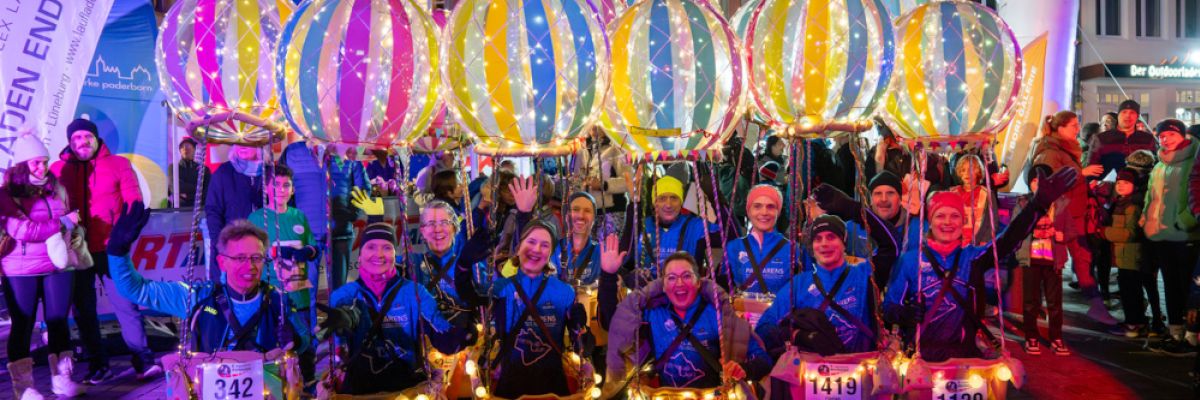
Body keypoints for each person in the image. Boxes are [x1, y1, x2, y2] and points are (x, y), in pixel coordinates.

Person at [883, 168, 1078, 362]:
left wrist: (1038, 204)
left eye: (955, 216)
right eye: (940, 216)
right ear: (930, 222)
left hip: (964, 358)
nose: (948, 222)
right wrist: (905, 313)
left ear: (963, 222)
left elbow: (1008, 240)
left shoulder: (972, 258)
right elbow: (889, 307)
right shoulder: (910, 261)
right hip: (918, 359)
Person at [108, 210, 313, 379]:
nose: (249, 266)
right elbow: (135, 289)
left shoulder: (277, 301)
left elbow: (305, 340)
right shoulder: (199, 297)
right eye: (240, 258)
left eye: (256, 258)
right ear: (222, 262)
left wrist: (295, 338)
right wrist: (118, 252)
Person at [51, 118, 157, 383]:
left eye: (86, 136)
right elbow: (49, 205)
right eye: (76, 138)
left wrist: (124, 233)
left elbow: (134, 199)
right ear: (69, 142)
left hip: (111, 249)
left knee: (126, 303)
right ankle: (99, 364)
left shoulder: (119, 164)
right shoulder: (58, 169)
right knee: (84, 310)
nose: (82, 142)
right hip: (77, 251)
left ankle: (142, 359)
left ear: (96, 138)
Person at [318, 222, 470, 394]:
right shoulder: (344, 295)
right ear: (359, 256)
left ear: (394, 254)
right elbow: (336, 335)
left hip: (407, 388)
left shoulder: (414, 292)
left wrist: (462, 334)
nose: (379, 254)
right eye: (371, 247)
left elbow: (442, 335)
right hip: (359, 390)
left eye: (387, 247)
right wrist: (344, 320)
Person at [599, 251, 769, 392]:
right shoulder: (654, 312)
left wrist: (743, 369)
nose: (679, 283)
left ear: (698, 283)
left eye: (686, 276)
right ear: (663, 285)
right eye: (671, 277)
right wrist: (607, 275)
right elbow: (613, 323)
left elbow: (764, 360)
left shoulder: (720, 315)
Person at [454, 221, 590, 398]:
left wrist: (581, 327)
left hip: (553, 385)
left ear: (550, 254)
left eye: (545, 245)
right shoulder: (501, 288)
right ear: (518, 248)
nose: (537, 249)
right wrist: (463, 265)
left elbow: (584, 347)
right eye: (531, 242)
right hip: (511, 384)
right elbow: (468, 295)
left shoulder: (564, 292)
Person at [2, 132, 85, 398]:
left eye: (44, 161)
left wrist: (73, 231)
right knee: (22, 325)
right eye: (35, 162)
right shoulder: (6, 194)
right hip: (19, 270)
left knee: (59, 321)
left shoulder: (56, 187)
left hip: (57, 266)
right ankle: (24, 389)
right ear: (21, 164)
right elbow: (23, 230)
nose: (42, 167)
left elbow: (70, 219)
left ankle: (62, 379)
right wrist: (63, 223)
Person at [1029, 111, 1118, 325]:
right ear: (1059, 128)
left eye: (1077, 125)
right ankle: (1039, 307)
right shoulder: (1050, 152)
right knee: (1052, 263)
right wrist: (1082, 175)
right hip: (1059, 216)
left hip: (1074, 214)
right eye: (1072, 125)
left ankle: (1095, 305)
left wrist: (1088, 185)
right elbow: (1046, 183)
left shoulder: (1066, 150)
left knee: (1082, 260)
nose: (1077, 129)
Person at [756, 215, 879, 358]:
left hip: (860, 370)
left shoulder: (863, 275)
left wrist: (851, 208)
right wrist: (799, 335)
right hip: (811, 373)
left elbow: (890, 247)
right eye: (818, 239)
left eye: (831, 237)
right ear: (812, 248)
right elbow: (763, 328)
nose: (824, 244)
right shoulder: (799, 284)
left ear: (844, 243)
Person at [1142, 119, 1200, 354]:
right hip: (1161, 233)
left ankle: (1191, 334)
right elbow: (1151, 194)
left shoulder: (1191, 161)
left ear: (1182, 135)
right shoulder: (1159, 164)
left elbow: (1194, 191)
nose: (1165, 139)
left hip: (1185, 233)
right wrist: (1146, 217)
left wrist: (1185, 220)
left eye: (1170, 135)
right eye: (1161, 135)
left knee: (1189, 286)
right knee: (1170, 284)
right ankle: (1174, 330)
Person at [617, 175, 722, 288]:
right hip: (648, 298)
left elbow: (730, 238)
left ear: (681, 202)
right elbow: (623, 257)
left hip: (684, 295)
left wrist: (717, 200)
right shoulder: (643, 225)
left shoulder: (695, 226)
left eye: (674, 198)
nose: (668, 204)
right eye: (662, 198)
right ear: (654, 203)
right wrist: (635, 204)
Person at [248, 165, 319, 326]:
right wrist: (274, 252)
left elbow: (314, 248)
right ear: (266, 189)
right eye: (276, 185)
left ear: (292, 189)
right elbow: (249, 256)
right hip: (270, 299)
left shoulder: (299, 216)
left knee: (303, 346)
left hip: (300, 299)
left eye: (286, 185)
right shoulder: (256, 219)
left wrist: (308, 251)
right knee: (272, 349)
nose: (281, 190)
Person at [1017, 167, 1068, 356]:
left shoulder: (1061, 203)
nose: (1038, 184)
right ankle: (1031, 336)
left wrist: (1062, 235)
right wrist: (1031, 232)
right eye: (1034, 181)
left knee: (1055, 302)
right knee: (1031, 301)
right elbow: (1015, 229)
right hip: (1031, 259)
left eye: (1043, 181)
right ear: (1030, 183)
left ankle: (1056, 337)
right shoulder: (1023, 203)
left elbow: (1071, 229)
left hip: (1053, 260)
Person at [1101, 168, 1155, 337]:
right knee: (1128, 289)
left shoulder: (1131, 207)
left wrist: (1104, 232)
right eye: (1118, 183)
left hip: (1131, 256)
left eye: (1126, 182)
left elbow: (1130, 234)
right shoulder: (1119, 203)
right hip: (1124, 256)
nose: (1121, 186)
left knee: (1131, 290)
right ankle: (1134, 321)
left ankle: (1134, 323)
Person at [720, 185, 794, 294]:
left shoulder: (792, 248)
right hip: (743, 310)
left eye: (770, 207)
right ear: (748, 211)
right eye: (757, 206)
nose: (764, 212)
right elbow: (723, 289)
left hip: (780, 311)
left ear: (778, 212)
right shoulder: (734, 247)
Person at [205, 144, 265, 281]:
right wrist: (220, 242)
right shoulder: (224, 172)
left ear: (259, 145)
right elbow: (213, 210)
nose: (242, 146)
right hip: (231, 246)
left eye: (247, 142)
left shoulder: (269, 172)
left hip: (261, 247)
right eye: (237, 142)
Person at [328, 145, 369, 289]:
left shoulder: (352, 160)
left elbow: (364, 188)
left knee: (339, 281)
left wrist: (352, 213)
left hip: (341, 229)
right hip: (314, 229)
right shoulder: (314, 157)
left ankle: (338, 310)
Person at [1086, 100, 1157, 179]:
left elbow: (1154, 165)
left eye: (1132, 113)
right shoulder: (1101, 138)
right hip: (1109, 187)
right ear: (1118, 115)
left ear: (1137, 117)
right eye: (1124, 112)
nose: (1127, 116)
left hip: (1140, 187)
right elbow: (1092, 168)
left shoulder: (1147, 139)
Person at [949, 154, 995, 246]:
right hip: (955, 243)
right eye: (963, 170)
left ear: (978, 172)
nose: (966, 173)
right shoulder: (952, 193)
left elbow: (992, 221)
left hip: (977, 243)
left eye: (971, 169)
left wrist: (985, 241)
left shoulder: (986, 194)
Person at [167, 137, 208, 208]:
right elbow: (175, 188)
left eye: (188, 146)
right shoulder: (173, 168)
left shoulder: (204, 169)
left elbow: (207, 192)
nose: (185, 148)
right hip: (179, 210)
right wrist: (197, 188)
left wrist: (187, 195)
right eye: (182, 147)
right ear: (180, 151)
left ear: (194, 149)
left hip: (199, 210)